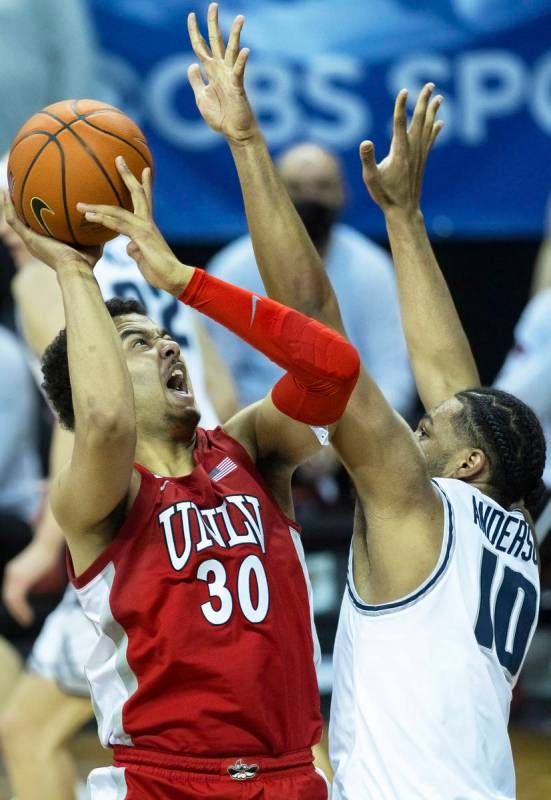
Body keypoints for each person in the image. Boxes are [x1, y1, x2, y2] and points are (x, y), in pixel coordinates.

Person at [1, 12, 360, 800]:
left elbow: (333, 369)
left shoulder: (250, 452)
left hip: (288, 779)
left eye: (162, 339)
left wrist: (185, 280)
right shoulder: (98, 499)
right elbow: (98, 422)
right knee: (25, 730)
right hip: (166, 785)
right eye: (135, 345)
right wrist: (66, 267)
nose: (165, 346)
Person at [184, 19, 543, 796]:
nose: (414, 425)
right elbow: (454, 383)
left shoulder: (418, 508)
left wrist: (247, 143)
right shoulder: (512, 527)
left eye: (426, 427)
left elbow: (312, 322)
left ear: (466, 462)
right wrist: (404, 219)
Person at [0, 152, 237, 800]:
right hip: (220, 500)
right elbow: (220, 389)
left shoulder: (43, 281)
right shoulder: (149, 265)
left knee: (28, 734)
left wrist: (50, 546)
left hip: (140, 522)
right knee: (256, 737)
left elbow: (83, 412)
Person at [205, 142, 414, 416]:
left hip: (353, 428)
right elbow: (214, 378)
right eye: (296, 188)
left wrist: (343, 437)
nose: (309, 197)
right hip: (256, 428)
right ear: (273, 194)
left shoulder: (373, 269)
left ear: (343, 193)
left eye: (322, 186)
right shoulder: (231, 270)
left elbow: (395, 377)